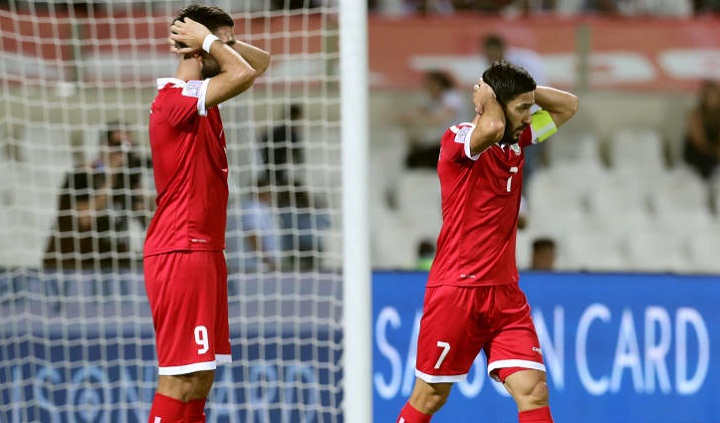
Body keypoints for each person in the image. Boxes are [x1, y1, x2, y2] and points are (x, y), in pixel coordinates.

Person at [395, 60, 578, 423]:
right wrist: (491, 97)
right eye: (523, 108)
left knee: (534, 390)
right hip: (457, 292)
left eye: (529, 108)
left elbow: (568, 105)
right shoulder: (460, 140)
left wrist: (524, 92)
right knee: (429, 397)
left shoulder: (519, 140)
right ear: (496, 102)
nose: (530, 116)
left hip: (505, 296)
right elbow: (492, 125)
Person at [143, 5, 270, 423]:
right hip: (180, 249)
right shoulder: (175, 99)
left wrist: (216, 41)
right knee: (178, 378)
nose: (231, 49)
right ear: (198, 48)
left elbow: (261, 63)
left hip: (205, 250)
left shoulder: (200, 98)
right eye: (223, 42)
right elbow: (244, 74)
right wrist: (209, 41)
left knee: (200, 378)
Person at [43, 123, 143, 271]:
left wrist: (147, 198)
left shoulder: (127, 181)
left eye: (130, 147)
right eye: (118, 145)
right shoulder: (81, 175)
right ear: (103, 146)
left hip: (110, 265)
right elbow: (85, 218)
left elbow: (143, 217)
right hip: (72, 265)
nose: (124, 153)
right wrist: (110, 179)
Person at [395, 70, 470, 169]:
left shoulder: (451, 97)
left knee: (415, 159)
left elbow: (441, 118)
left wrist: (417, 121)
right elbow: (421, 112)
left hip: (458, 145)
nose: (427, 90)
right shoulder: (437, 101)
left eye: (429, 86)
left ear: (437, 85)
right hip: (447, 143)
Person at [225, 179, 282, 273]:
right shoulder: (253, 208)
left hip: (252, 267)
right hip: (252, 268)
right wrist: (268, 260)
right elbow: (253, 236)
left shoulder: (258, 208)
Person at [682, 79, 720, 180]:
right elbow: (699, 141)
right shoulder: (696, 114)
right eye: (709, 95)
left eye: (715, 95)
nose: (712, 98)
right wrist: (714, 151)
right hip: (698, 154)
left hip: (713, 153)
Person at [260, 104, 304, 186]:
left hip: (265, 169)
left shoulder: (275, 131)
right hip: (274, 172)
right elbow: (299, 158)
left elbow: (262, 140)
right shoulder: (290, 134)